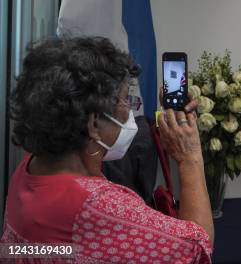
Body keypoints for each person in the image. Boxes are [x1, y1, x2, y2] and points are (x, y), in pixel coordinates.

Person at [1, 37, 214, 263]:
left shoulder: (32, 165)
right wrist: (190, 157)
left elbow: (57, 249)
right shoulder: (98, 207)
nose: (130, 110)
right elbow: (197, 247)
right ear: (94, 124)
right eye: (125, 100)